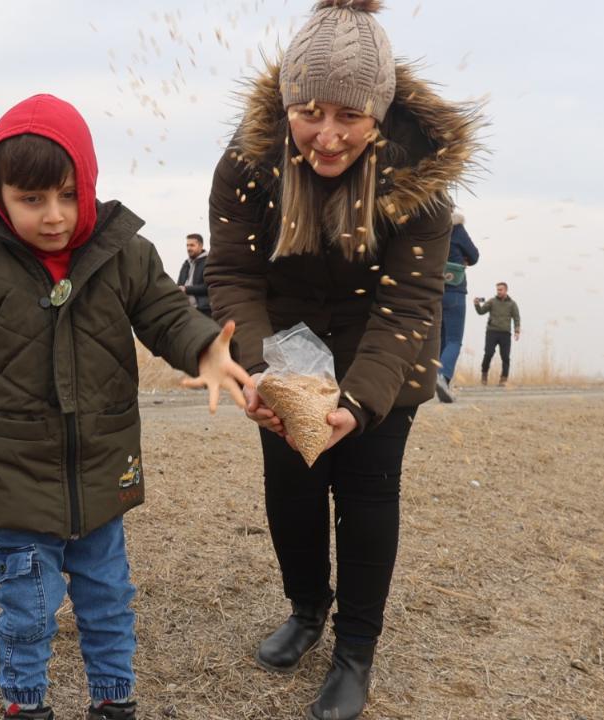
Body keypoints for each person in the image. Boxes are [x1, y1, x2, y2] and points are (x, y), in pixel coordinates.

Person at [0, 95, 253, 720]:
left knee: (109, 598)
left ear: (89, 181)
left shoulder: (125, 253)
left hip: (103, 468)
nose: (53, 216)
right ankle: (26, 705)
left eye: (66, 194)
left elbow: (167, 315)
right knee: (26, 605)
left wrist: (204, 351)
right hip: (15, 475)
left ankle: (114, 702)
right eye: (30, 200)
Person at [205, 1, 481, 717]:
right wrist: (269, 376)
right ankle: (306, 609)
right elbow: (233, 274)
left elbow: (410, 309)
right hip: (284, 347)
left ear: (381, 113)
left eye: (349, 117)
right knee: (291, 487)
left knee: (365, 494)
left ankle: (356, 648)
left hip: (381, 354)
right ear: (287, 103)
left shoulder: (420, 183)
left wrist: (353, 406)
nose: (327, 136)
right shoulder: (245, 162)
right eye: (310, 111)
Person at [435, 210, 480, 402]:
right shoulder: (456, 228)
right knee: (454, 340)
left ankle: (437, 380)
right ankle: (442, 377)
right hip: (455, 290)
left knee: (440, 340)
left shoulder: (431, 226)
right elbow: (474, 255)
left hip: (433, 290)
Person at [474, 282, 522, 386]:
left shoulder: (512, 304)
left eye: (500, 290)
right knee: (488, 353)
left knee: (505, 357)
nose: (498, 292)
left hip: (505, 333)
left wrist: (517, 331)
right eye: (497, 290)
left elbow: (516, 318)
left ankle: (503, 379)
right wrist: (477, 304)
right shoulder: (492, 301)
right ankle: (484, 375)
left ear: (506, 290)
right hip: (492, 332)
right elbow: (481, 312)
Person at [176, 233, 211, 316]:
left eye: (192, 245)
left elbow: (208, 287)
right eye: (187, 245)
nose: (189, 248)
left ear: (201, 246)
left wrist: (186, 289)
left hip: (203, 310)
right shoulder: (186, 264)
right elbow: (179, 285)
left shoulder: (208, 262)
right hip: (185, 309)